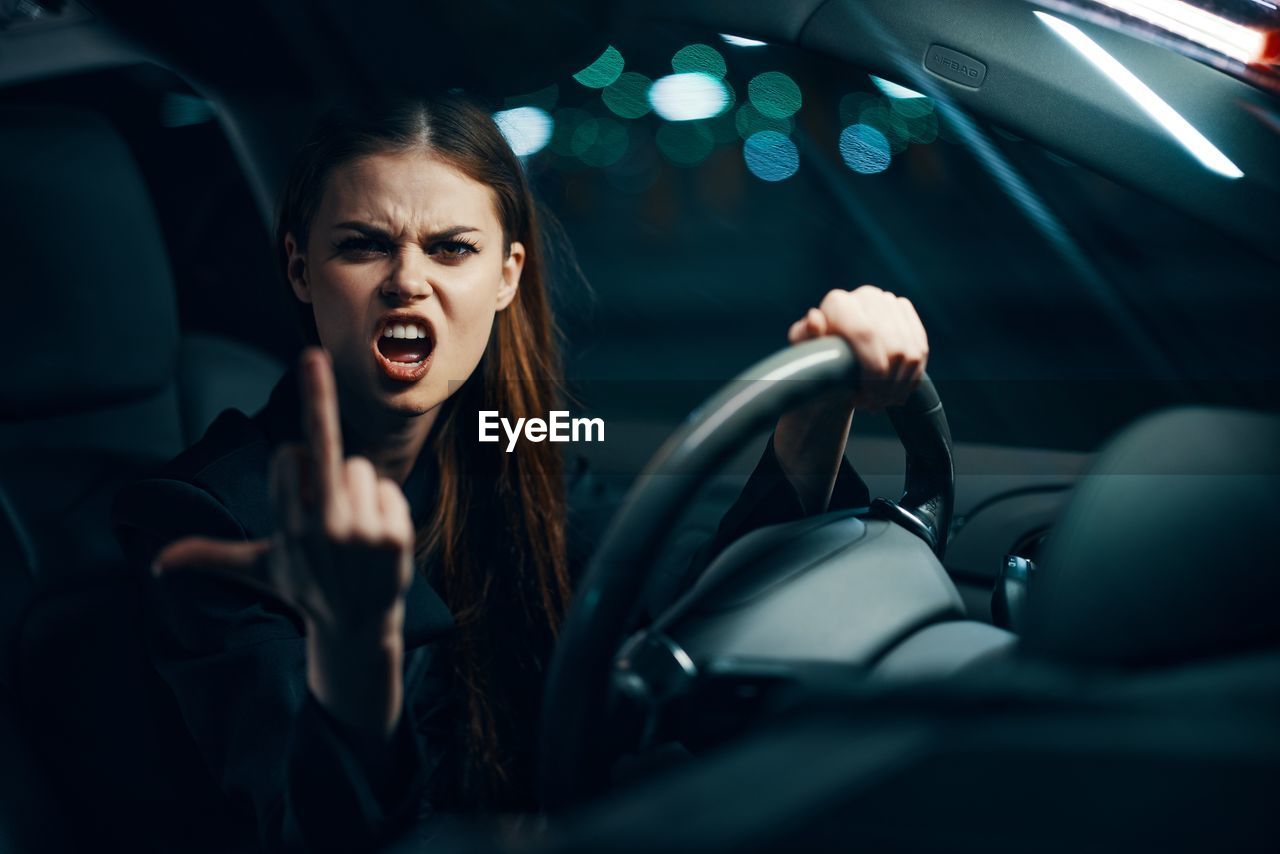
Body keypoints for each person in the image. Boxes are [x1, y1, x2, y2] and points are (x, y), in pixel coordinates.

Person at [111, 93, 929, 853]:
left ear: (505, 277)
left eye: (451, 249)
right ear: (299, 269)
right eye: (363, 245)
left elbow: (682, 589)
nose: (407, 282)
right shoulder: (208, 514)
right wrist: (355, 651)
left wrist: (813, 420)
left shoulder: (510, 442)